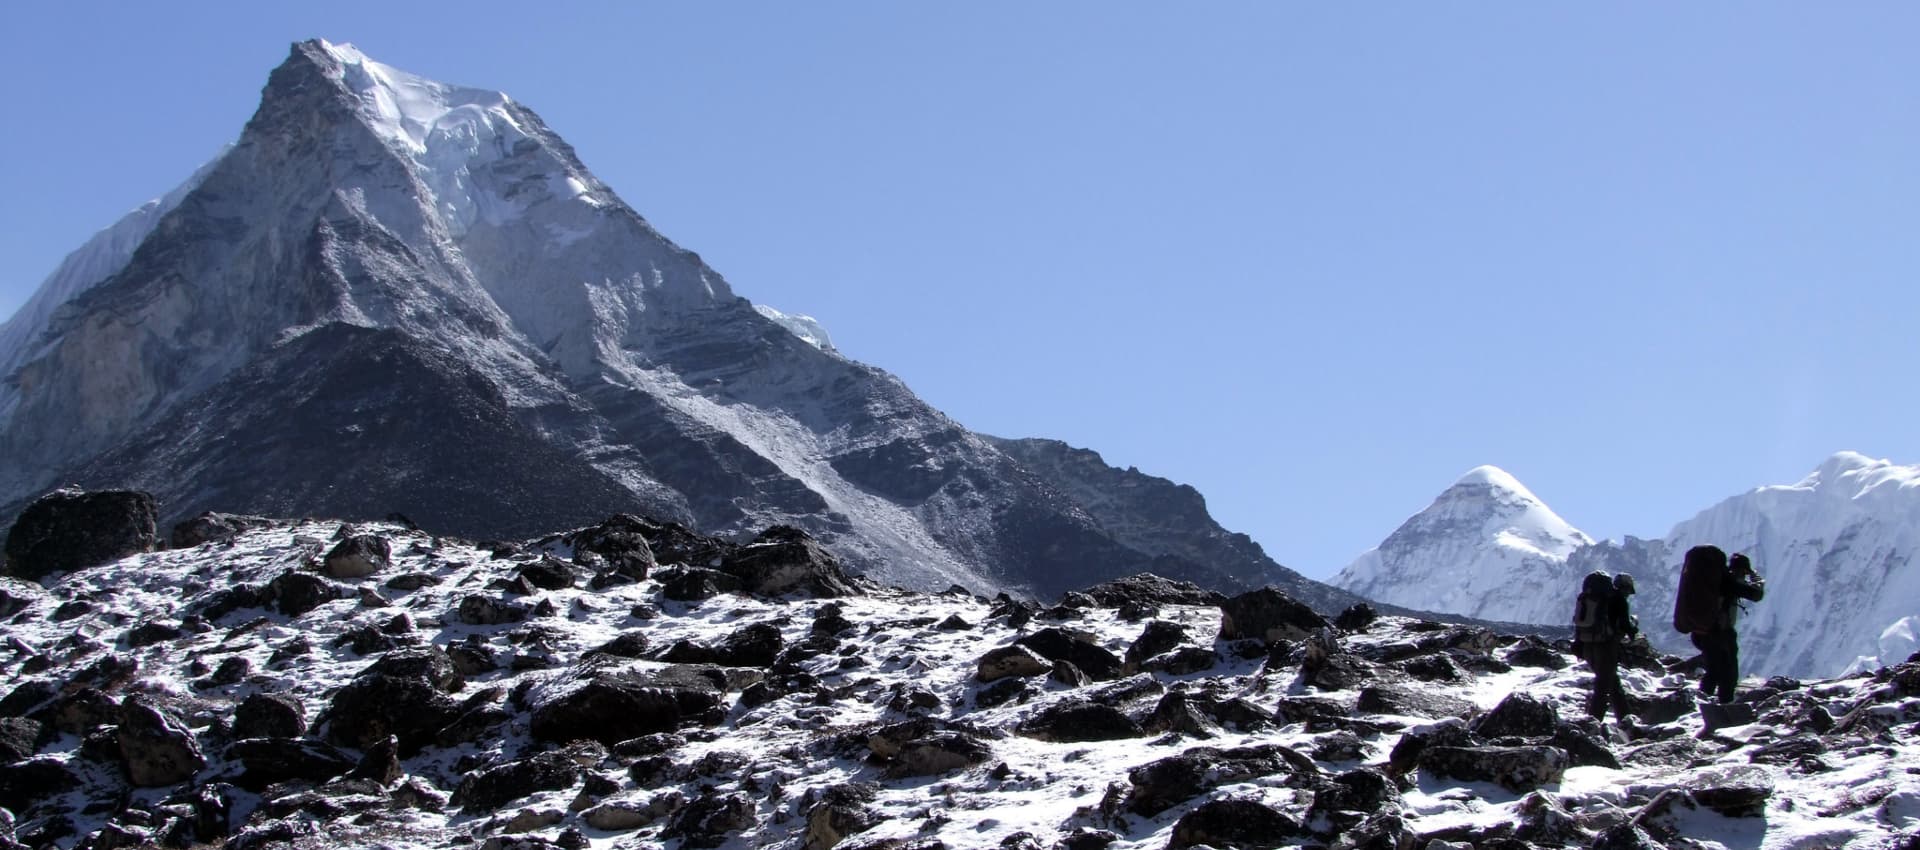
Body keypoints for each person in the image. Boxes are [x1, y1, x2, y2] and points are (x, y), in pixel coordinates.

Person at [1695, 552, 1766, 703]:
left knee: (1713, 671)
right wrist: (1757, 578)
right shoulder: (1729, 583)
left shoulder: (1715, 581)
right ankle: (1725, 705)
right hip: (1721, 633)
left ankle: (1701, 702)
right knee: (1729, 673)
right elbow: (1756, 594)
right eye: (1745, 573)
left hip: (1703, 632)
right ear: (1742, 570)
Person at [1572, 570, 1638, 726]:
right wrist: (1633, 629)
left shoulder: (1591, 599)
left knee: (1612, 683)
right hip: (1606, 647)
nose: (1629, 593)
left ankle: (1625, 719)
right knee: (1603, 687)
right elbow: (1625, 625)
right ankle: (1592, 724)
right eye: (1628, 590)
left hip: (1588, 646)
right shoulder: (1619, 600)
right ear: (1625, 588)